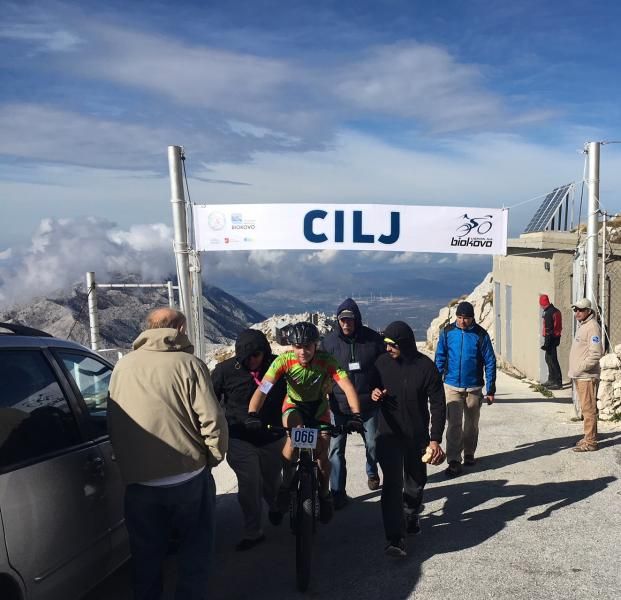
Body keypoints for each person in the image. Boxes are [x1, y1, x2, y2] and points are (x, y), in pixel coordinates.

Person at [108, 308, 228, 600]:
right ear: (180, 330)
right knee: (194, 553)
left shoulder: (122, 367)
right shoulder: (189, 365)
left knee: (145, 556)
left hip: (140, 483)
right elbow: (213, 421)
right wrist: (212, 458)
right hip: (188, 476)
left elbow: (114, 421)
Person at [246, 321, 363, 524]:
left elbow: (347, 386)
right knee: (295, 438)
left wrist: (356, 415)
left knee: (322, 456)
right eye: (297, 346)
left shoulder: (326, 360)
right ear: (291, 346)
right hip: (294, 406)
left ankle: (324, 494)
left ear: (315, 345)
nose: (302, 352)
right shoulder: (283, 361)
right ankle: (286, 485)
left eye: (307, 346)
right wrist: (252, 413)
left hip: (318, 409)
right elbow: (264, 388)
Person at [371, 321, 446, 558]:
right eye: (386, 344)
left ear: (404, 344)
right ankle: (395, 538)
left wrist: (435, 439)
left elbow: (438, 404)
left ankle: (411, 514)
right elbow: (369, 388)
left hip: (416, 435)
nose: (388, 349)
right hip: (388, 435)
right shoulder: (381, 364)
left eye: (392, 345)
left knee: (415, 482)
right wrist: (374, 393)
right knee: (392, 485)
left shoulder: (425, 367)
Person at [212, 329, 287, 551]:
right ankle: (253, 531)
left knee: (271, 481)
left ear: (265, 352)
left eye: (256, 355)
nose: (252, 360)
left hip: (272, 435)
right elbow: (210, 400)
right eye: (247, 357)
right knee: (249, 485)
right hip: (240, 437)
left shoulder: (277, 366)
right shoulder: (225, 371)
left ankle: (275, 506)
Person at [322, 298, 385, 509]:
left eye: (349, 319)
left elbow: (385, 367)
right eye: (342, 320)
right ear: (337, 320)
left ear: (356, 319)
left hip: (368, 404)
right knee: (335, 451)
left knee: (373, 444)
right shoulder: (328, 343)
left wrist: (380, 388)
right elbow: (320, 370)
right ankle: (337, 493)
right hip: (339, 407)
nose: (346, 323)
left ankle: (372, 471)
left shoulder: (373, 340)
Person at [435, 301, 496, 477]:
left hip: (474, 387)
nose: (462, 321)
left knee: (471, 424)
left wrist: (490, 390)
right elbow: (440, 357)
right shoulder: (447, 332)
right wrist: (435, 384)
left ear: (472, 318)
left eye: (466, 318)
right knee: (454, 424)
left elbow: (490, 361)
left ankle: (469, 453)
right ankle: (454, 460)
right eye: (460, 317)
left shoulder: (481, 335)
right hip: (452, 386)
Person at [568, 298, 603, 452]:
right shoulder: (584, 325)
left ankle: (591, 442)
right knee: (585, 408)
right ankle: (588, 436)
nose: (577, 312)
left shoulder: (592, 327)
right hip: (580, 375)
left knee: (588, 410)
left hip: (586, 376)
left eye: (581, 310)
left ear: (588, 311)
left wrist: (580, 368)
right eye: (575, 310)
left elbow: (595, 354)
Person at [539, 294, 563, 389]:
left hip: (551, 338)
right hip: (555, 337)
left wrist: (546, 344)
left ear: (542, 303)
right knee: (548, 359)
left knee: (552, 360)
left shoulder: (549, 313)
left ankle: (557, 382)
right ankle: (551, 379)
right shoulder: (555, 310)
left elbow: (548, 329)